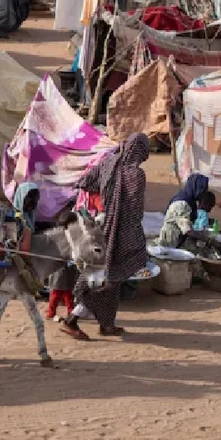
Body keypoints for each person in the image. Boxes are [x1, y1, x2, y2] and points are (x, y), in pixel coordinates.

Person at [61, 133, 150, 340]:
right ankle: (71, 320)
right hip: (121, 232)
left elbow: (85, 181)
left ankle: (107, 324)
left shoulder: (108, 163)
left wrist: (103, 201)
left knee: (111, 276)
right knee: (108, 276)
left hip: (101, 225)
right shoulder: (136, 174)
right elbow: (136, 210)